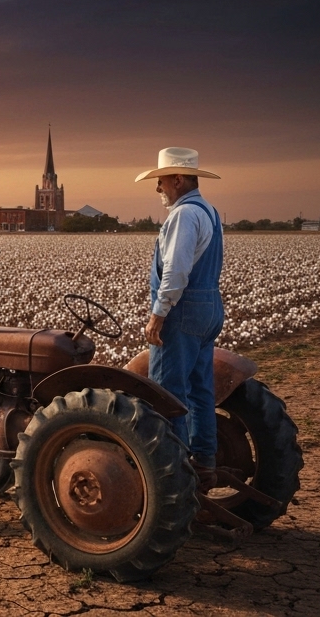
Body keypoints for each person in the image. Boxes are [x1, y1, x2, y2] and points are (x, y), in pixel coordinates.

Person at [135, 147, 223, 487]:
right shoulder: (210, 211)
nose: (158, 189)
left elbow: (175, 271)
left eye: (160, 182)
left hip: (182, 310)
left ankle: (172, 478)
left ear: (177, 179)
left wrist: (159, 314)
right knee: (201, 389)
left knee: (166, 393)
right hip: (209, 307)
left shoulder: (184, 215)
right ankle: (204, 462)